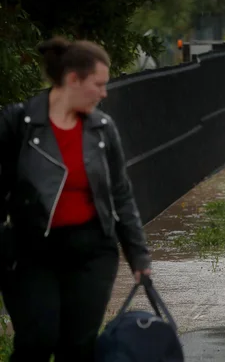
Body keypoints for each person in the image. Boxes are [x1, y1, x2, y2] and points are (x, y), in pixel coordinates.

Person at [0, 36, 152, 361]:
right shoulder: (19, 123)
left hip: (91, 252)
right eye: (98, 84)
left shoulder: (102, 129)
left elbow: (121, 194)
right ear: (73, 79)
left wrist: (138, 256)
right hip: (31, 253)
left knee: (78, 347)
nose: (104, 93)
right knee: (37, 340)